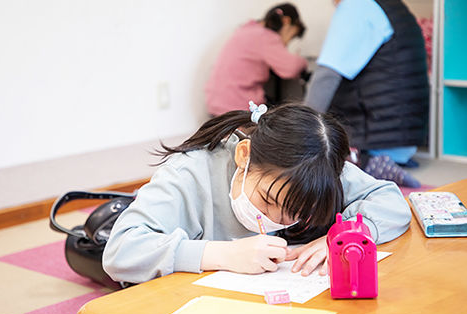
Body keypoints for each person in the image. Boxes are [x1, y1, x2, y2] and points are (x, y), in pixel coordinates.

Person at [103, 101, 411, 284]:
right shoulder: (190, 173)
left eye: (294, 213)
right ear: (244, 156)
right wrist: (221, 254)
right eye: (268, 199)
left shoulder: (318, 170)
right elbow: (121, 250)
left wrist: (341, 236)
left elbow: (392, 203)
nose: (271, 220)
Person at [304, 0, 429, 188]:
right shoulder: (392, 7)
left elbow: (326, 77)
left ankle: (365, 163)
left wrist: (300, 131)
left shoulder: (356, 6)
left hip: (373, 140)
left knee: (314, 148)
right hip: (402, 139)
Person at [205, 3, 308, 116]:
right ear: (286, 21)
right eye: (291, 36)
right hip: (237, 108)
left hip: (217, 104)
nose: (287, 43)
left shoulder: (247, 30)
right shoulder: (266, 36)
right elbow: (290, 68)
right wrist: (303, 61)